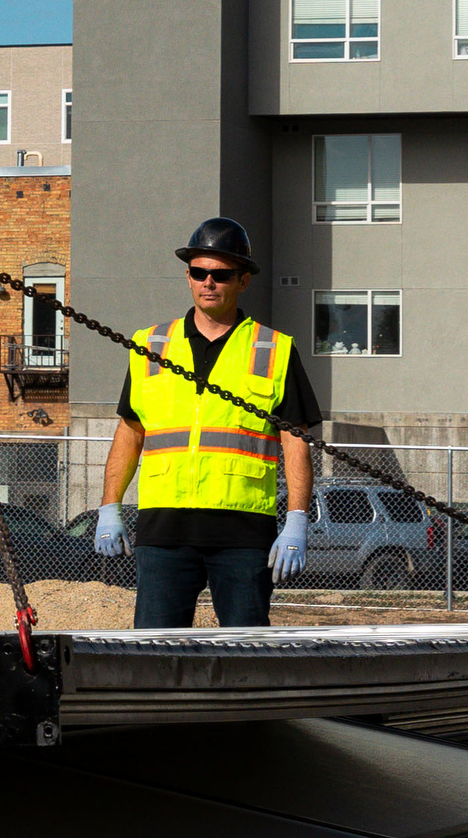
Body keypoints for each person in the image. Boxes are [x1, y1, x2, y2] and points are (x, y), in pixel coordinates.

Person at [93, 218, 320, 628]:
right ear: (188, 277)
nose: (209, 282)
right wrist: (110, 506)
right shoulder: (150, 345)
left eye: (221, 274)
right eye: (200, 273)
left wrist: (297, 520)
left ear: (243, 281)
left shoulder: (274, 349)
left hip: (243, 533)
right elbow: (130, 432)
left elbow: (295, 441)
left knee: (245, 653)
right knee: (156, 653)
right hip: (163, 530)